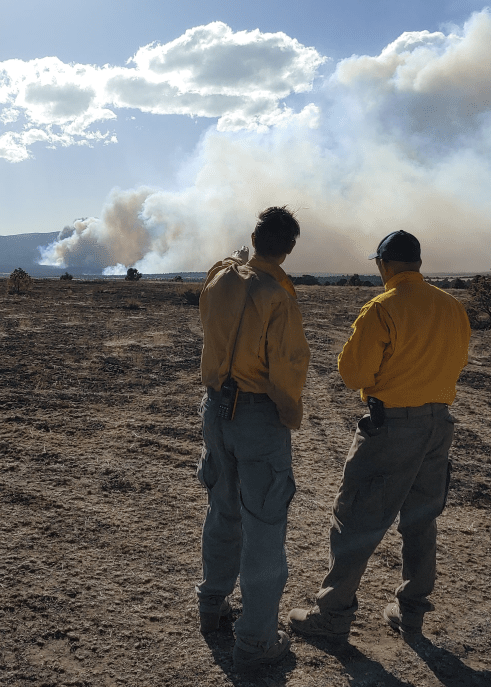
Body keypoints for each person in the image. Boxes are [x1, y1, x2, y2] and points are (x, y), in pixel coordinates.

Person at [287, 229, 471, 643]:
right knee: (421, 520)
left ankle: (332, 615)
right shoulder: (452, 306)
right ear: (418, 263)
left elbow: (353, 374)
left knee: (355, 519)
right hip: (439, 426)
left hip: (392, 428)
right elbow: (458, 359)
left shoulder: (381, 308)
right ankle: (411, 612)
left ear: (384, 264)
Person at [196, 206, 311, 671]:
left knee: (222, 509)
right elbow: (288, 368)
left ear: (254, 236)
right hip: (257, 415)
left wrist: (240, 257)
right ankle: (256, 640)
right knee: (264, 526)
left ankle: (212, 604)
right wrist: (289, 414)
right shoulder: (278, 296)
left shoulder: (219, 278)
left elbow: (226, 266)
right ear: (289, 248)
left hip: (215, 409)